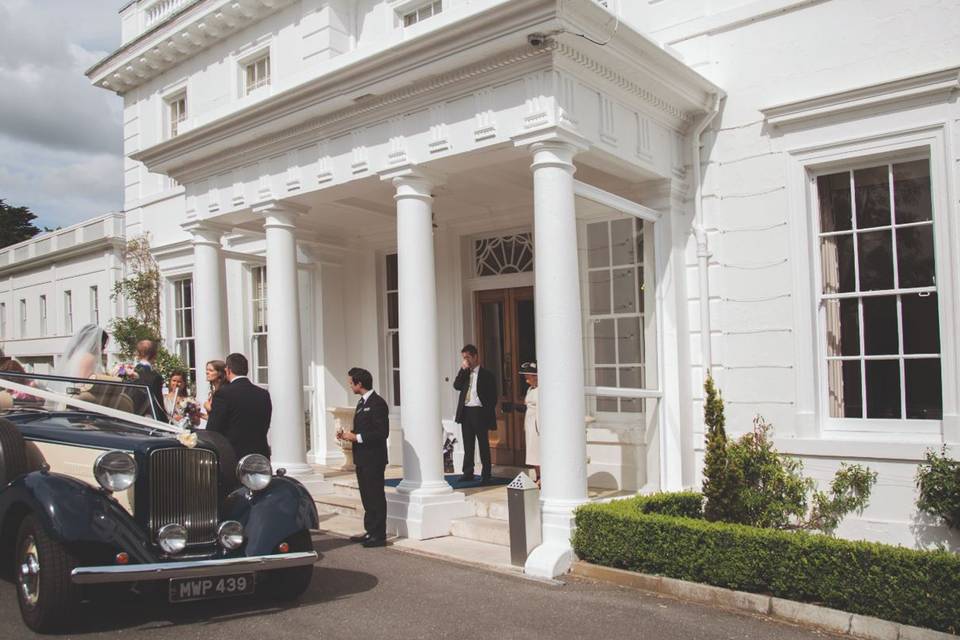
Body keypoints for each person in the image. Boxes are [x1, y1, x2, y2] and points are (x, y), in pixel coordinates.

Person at [337, 367, 389, 548]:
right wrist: (348, 434)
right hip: (362, 458)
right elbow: (364, 429)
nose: (350, 386)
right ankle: (370, 531)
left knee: (375, 496)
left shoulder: (377, 403)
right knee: (366, 497)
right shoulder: (361, 403)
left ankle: (379, 535)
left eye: (351, 383)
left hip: (374, 458)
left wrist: (356, 437)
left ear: (359, 383)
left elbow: (382, 432)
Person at [206, 353, 272, 460]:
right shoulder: (263, 394)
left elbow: (213, 430)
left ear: (228, 370)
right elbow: (265, 424)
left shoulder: (223, 394)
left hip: (233, 456)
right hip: (259, 455)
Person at [453, 344, 497, 483]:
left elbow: (493, 396)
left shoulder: (487, 375)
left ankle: (486, 473)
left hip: (479, 411)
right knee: (468, 444)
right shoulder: (465, 374)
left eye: (468, 357)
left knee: (483, 444)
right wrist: (462, 369)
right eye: (464, 358)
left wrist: (486, 411)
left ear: (475, 356)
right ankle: (468, 472)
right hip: (466, 412)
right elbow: (456, 386)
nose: (466, 360)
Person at [134, 340, 169, 422]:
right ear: (155, 355)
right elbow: (157, 404)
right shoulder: (155, 377)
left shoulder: (128, 373)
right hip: (148, 421)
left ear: (138, 354)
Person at [520, 362, 540, 486]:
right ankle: (538, 476)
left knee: (538, 450)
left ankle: (542, 478)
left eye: (528, 377)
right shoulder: (530, 389)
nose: (527, 380)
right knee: (532, 451)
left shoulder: (540, 390)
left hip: (537, 424)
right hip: (530, 423)